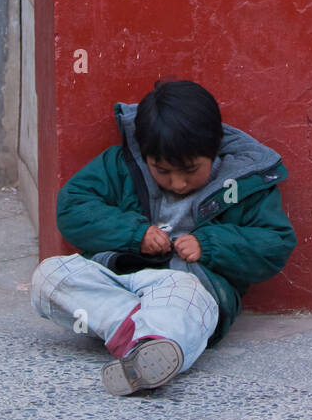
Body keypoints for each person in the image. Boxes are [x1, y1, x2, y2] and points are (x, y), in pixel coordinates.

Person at [30, 78, 296, 395]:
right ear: (145, 154)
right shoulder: (121, 164)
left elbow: (275, 242)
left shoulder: (243, 179)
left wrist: (210, 245)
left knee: (182, 291)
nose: (178, 183)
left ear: (214, 150)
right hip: (121, 277)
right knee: (49, 276)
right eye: (163, 171)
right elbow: (72, 208)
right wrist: (134, 233)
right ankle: (146, 343)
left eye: (190, 170)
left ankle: (147, 341)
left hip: (189, 284)